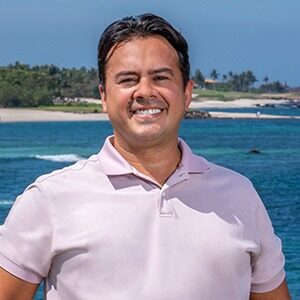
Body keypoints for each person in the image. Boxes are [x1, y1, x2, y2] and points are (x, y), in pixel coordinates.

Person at [0, 13, 291, 300]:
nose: (145, 91)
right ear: (104, 96)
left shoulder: (240, 196)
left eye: (161, 77)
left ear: (186, 92)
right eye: (128, 79)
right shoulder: (49, 199)